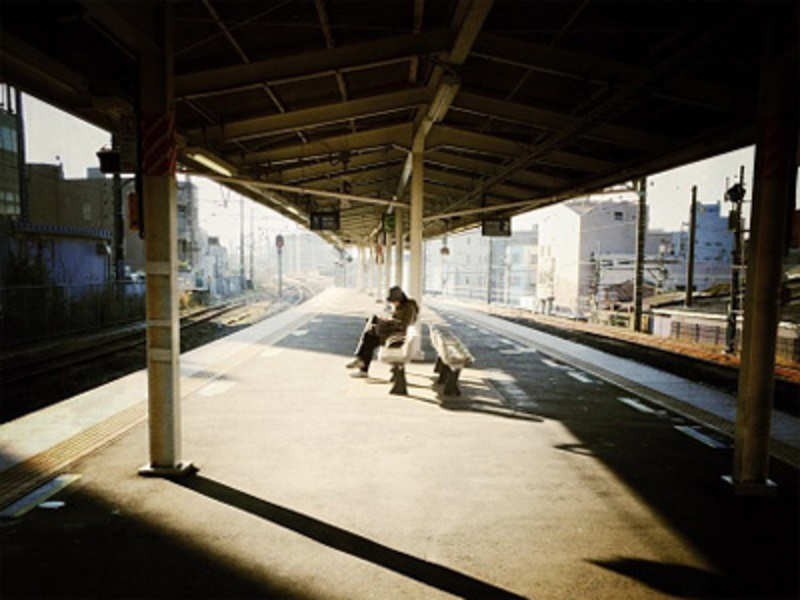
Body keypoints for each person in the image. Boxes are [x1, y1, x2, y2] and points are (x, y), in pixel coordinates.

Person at [347, 286, 418, 377]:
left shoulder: (409, 308)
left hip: (397, 338)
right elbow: (396, 320)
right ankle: (361, 362)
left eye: (394, 301)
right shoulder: (402, 306)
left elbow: (403, 325)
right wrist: (383, 320)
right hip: (393, 335)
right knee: (369, 333)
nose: (393, 303)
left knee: (369, 338)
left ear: (400, 299)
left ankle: (362, 365)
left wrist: (386, 322)